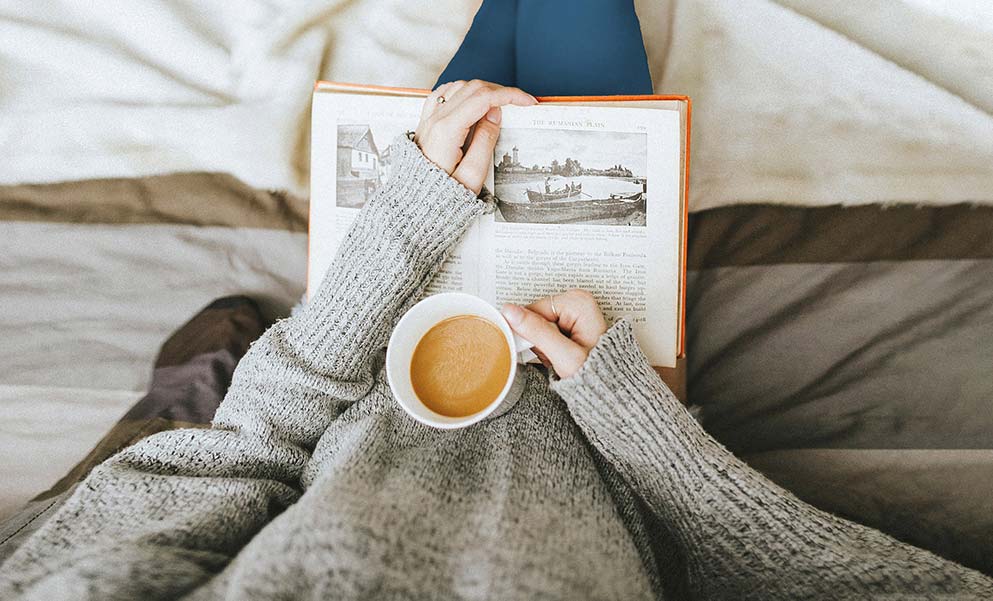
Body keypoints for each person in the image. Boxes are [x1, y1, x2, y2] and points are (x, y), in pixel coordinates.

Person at [0, 80, 990, 601]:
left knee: (480, 96)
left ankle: (186, 381)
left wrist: (401, 223)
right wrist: (634, 411)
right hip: (613, 426)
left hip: (361, 383)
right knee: (568, 36)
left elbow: (234, 455)